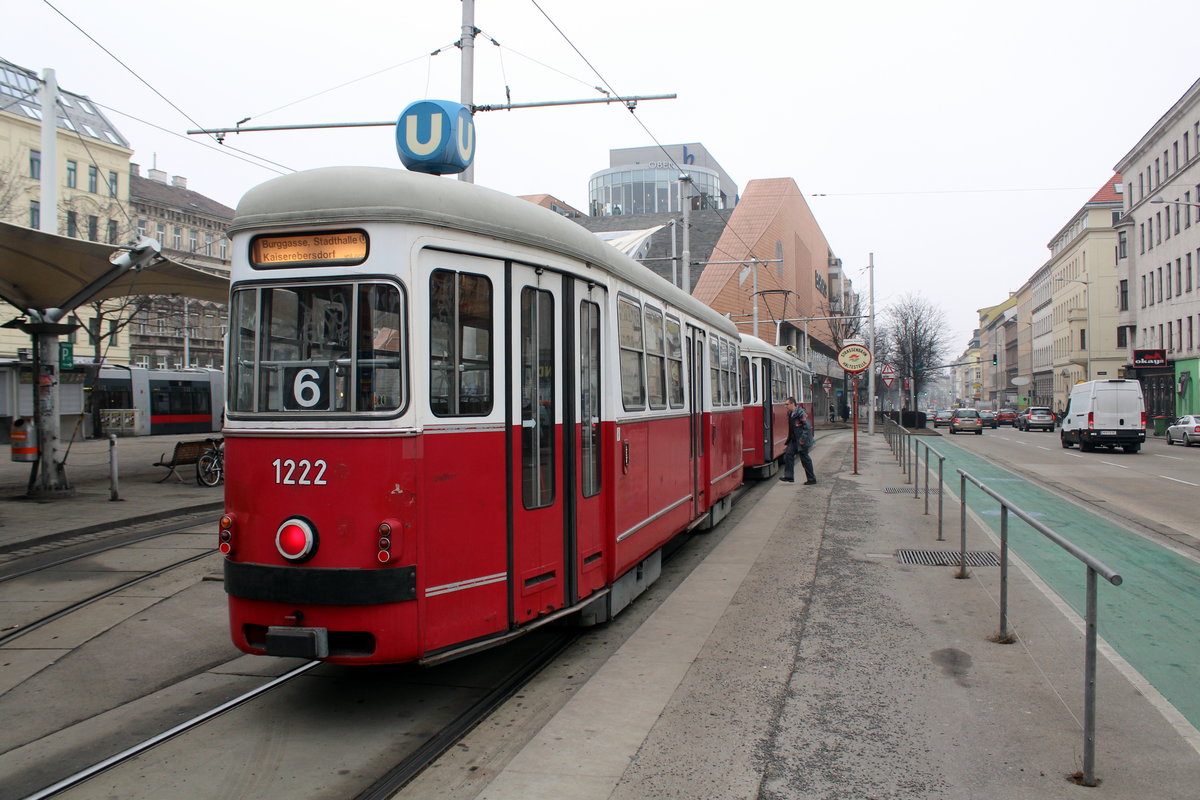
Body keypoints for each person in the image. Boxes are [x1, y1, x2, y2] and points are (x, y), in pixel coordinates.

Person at [781, 397, 817, 485]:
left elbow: (807, 427)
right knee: (788, 455)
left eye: (787, 404)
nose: (785, 406)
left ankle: (812, 479)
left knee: (805, 459)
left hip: (801, 440)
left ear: (793, 404)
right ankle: (789, 476)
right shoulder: (791, 413)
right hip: (794, 440)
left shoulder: (801, 413)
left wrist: (802, 439)